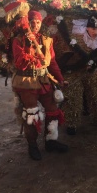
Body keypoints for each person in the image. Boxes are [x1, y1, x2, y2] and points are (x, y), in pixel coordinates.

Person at [12, 10, 68, 161]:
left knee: (53, 110)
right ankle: (32, 146)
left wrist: (60, 79)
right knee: (31, 114)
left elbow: (53, 63)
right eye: (32, 22)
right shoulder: (18, 40)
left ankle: (51, 141)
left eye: (37, 22)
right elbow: (19, 61)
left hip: (44, 81)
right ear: (27, 23)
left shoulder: (46, 40)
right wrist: (36, 58)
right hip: (26, 83)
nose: (35, 25)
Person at [60, 12, 97, 135]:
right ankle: (71, 123)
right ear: (87, 28)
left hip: (92, 70)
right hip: (75, 70)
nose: (96, 32)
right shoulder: (77, 37)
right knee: (73, 94)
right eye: (93, 29)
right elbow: (67, 55)